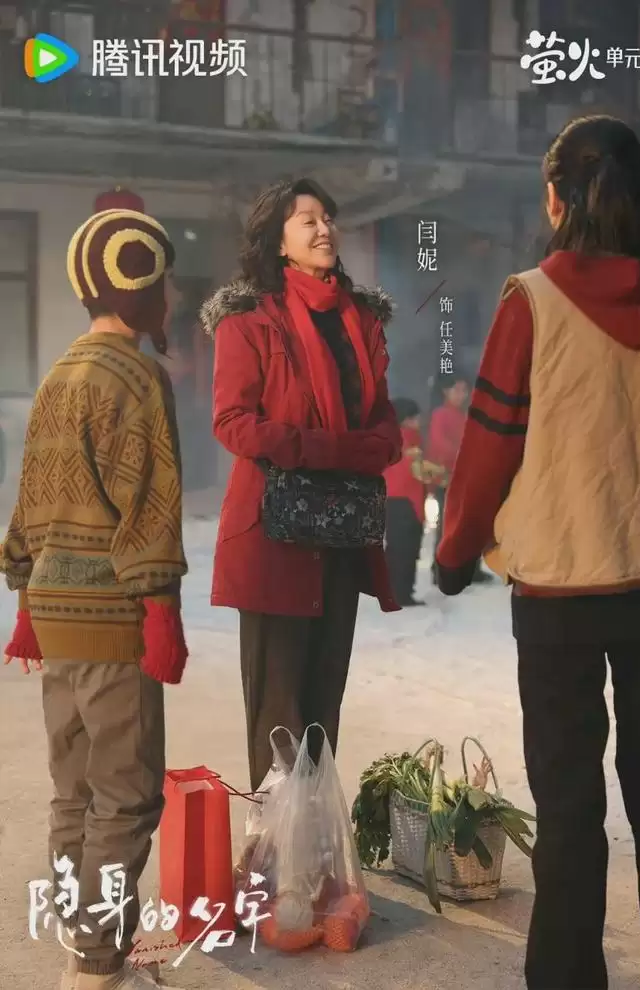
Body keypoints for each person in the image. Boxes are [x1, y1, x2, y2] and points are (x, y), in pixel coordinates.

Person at [434, 115, 640, 989]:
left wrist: (456, 550)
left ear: (560, 199)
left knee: (568, 807)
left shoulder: (531, 300)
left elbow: (491, 440)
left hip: (560, 590)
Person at [1, 208, 188, 990]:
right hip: (113, 615)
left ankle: (82, 942)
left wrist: (23, 595)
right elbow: (151, 506)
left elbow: (30, 499)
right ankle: (99, 962)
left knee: (73, 790)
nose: (172, 299)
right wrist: (163, 611)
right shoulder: (138, 378)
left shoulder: (58, 374)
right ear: (138, 287)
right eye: (166, 284)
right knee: (127, 794)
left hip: (53, 610)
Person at [201, 177, 402, 791]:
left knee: (322, 711)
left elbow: (383, 423)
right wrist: (329, 451)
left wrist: (364, 448)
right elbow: (233, 422)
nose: (323, 229)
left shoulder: (360, 318)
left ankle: (314, 841)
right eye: (307, 219)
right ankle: (274, 842)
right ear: (278, 239)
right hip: (274, 535)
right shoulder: (249, 320)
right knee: (277, 714)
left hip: (340, 532)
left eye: (327, 217)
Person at [427, 373, 492, 582]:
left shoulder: (465, 415)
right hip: (448, 478)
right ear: (445, 391)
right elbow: (440, 444)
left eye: (464, 390)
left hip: (466, 477)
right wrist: (465, 454)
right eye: (457, 390)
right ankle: (441, 570)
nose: (461, 394)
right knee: (447, 527)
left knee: (469, 524)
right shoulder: (440, 414)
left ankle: (470, 568)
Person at [384, 398, 444, 606]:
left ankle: (399, 591)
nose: (418, 420)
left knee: (402, 548)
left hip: (400, 499)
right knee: (404, 549)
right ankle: (399, 592)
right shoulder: (402, 439)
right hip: (403, 500)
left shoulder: (408, 438)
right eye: (413, 417)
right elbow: (411, 469)